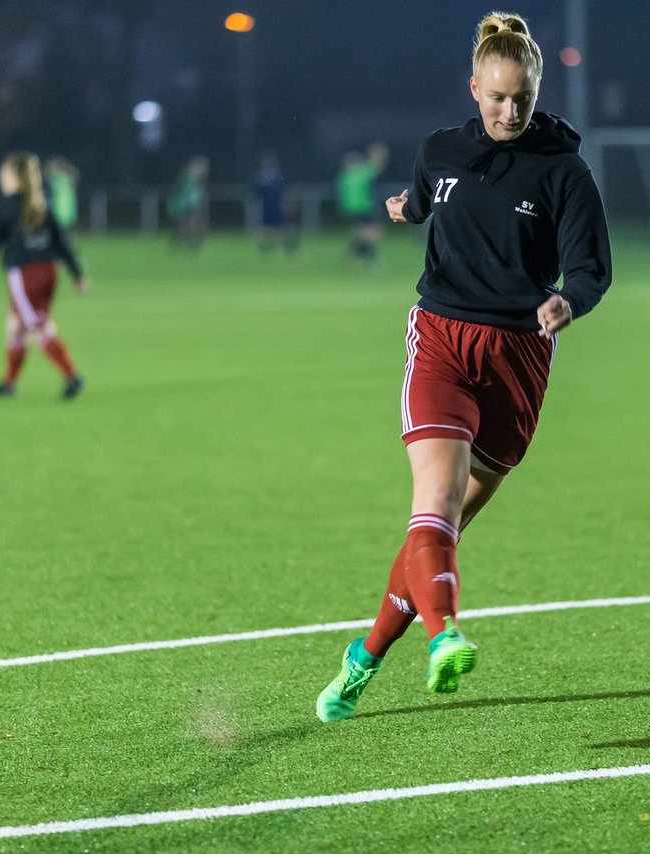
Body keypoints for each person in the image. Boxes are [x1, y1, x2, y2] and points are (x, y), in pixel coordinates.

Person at [316, 11, 613, 722]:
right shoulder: (440, 150)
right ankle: (445, 636)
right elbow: (422, 200)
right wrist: (400, 207)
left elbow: (591, 268)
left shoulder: (564, 172)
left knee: (442, 525)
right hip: (444, 340)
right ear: (474, 85)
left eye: (523, 100)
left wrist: (570, 303)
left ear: (537, 93)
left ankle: (364, 657)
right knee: (435, 503)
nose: (509, 111)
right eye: (497, 97)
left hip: (519, 360)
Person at [0, 152, 86, 400]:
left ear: (13, 177)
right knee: (15, 327)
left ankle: (71, 375)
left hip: (24, 276)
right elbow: (61, 242)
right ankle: (9, 383)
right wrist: (77, 273)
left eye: (4, 174)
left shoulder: (6, 207)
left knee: (38, 327)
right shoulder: (40, 204)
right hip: (48, 272)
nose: (1, 178)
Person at [337, 142, 388, 263]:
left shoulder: (344, 177)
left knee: (359, 232)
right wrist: (378, 155)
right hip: (365, 206)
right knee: (374, 231)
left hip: (350, 208)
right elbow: (376, 166)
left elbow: (341, 194)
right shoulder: (362, 173)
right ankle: (367, 256)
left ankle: (354, 257)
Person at [254, 149, 297, 254]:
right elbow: (257, 191)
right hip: (267, 205)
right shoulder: (260, 175)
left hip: (278, 204)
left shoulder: (278, 173)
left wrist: (287, 203)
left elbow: (285, 189)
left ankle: (289, 246)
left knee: (282, 226)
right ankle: (267, 247)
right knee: (267, 227)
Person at [167, 156, 210, 252]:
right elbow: (176, 193)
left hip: (193, 206)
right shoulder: (184, 178)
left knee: (199, 225)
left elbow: (198, 194)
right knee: (189, 225)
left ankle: (185, 243)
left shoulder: (200, 181)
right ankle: (188, 244)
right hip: (183, 205)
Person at [44, 156, 80, 231]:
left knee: (61, 229)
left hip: (59, 207)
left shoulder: (57, 179)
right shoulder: (69, 177)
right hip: (66, 207)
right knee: (64, 229)